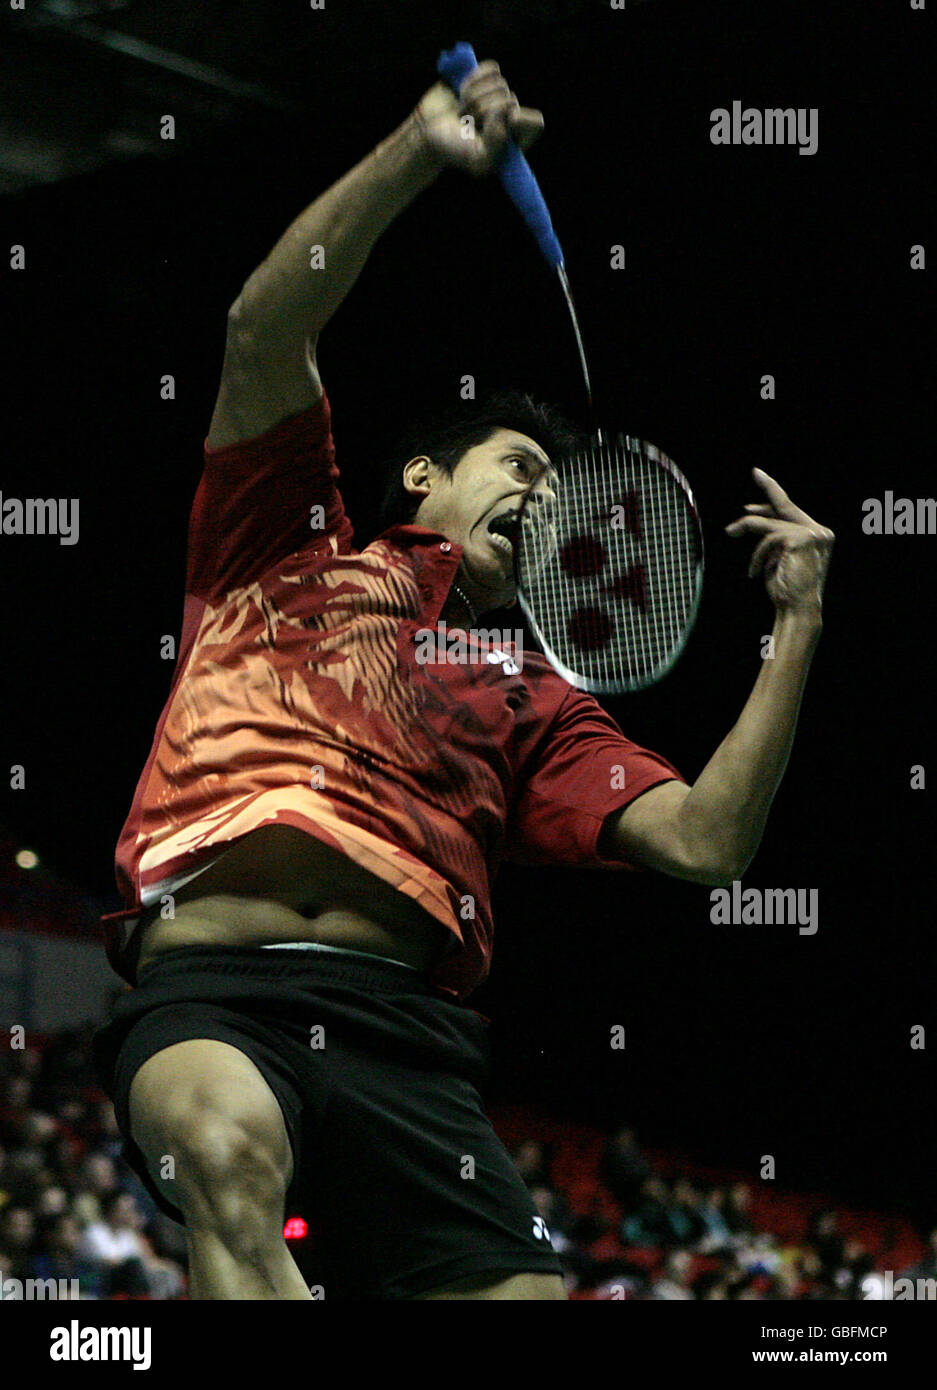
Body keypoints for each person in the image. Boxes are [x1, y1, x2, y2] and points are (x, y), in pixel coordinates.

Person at [92, 58, 833, 1300]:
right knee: (226, 1154)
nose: (541, 492)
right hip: (215, 994)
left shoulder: (531, 694)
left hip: (410, 1043)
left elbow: (707, 844)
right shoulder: (280, 542)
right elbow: (261, 328)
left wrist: (798, 624)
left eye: (556, 485)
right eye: (516, 464)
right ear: (426, 479)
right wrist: (418, 154)